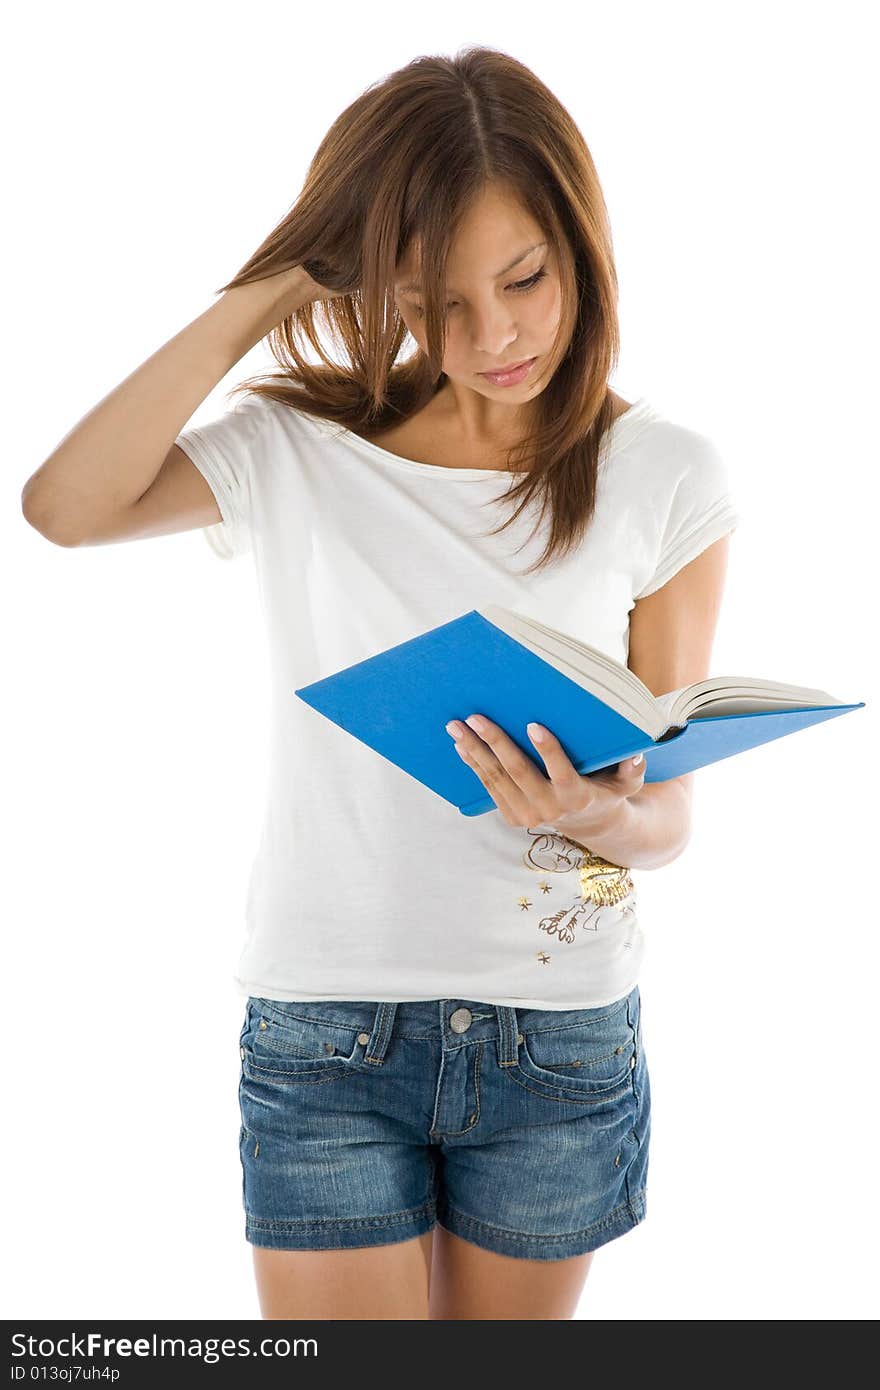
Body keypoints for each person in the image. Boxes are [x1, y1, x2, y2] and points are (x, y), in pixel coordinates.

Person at [21, 46, 739, 1320]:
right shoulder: (299, 449)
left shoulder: (665, 474)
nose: (492, 337)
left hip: (555, 1032)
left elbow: (664, 813)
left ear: (581, 243)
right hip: (327, 1023)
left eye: (522, 279)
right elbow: (65, 508)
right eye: (433, 300)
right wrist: (274, 282)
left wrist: (588, 812)